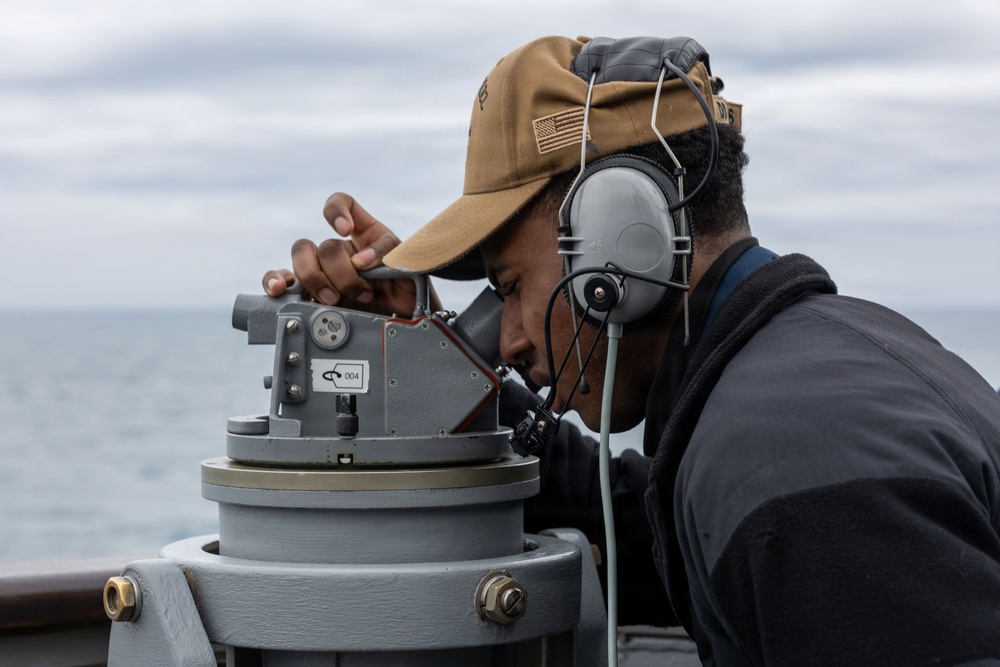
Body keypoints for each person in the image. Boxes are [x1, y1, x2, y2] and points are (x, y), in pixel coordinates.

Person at [263, 35, 1000, 665]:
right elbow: (644, 521)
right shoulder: (796, 389)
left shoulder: (791, 466)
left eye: (510, 285)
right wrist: (432, 359)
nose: (512, 336)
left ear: (618, 239)